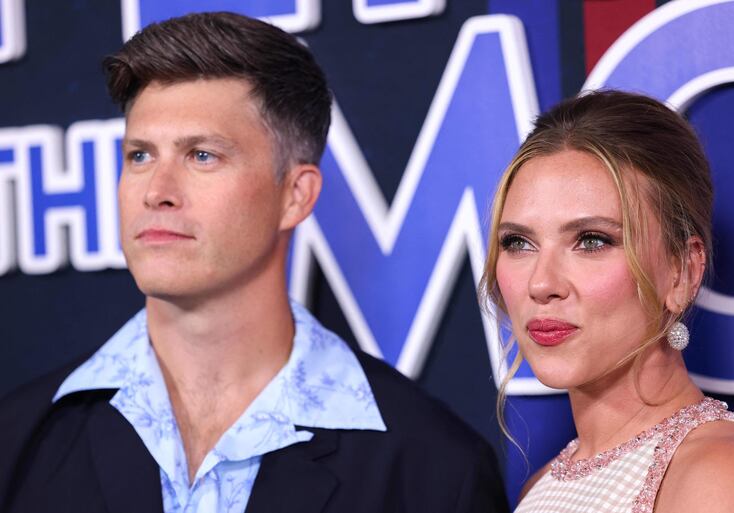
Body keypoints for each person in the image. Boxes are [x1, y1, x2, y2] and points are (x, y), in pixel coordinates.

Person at [0, 12, 509, 513]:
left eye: (202, 155)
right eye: (140, 155)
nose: (156, 191)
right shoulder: (16, 441)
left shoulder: (433, 472)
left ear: (295, 194)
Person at [480, 90, 734, 512]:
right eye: (519, 242)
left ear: (682, 271)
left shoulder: (723, 474)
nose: (541, 284)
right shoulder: (539, 489)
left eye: (592, 240)